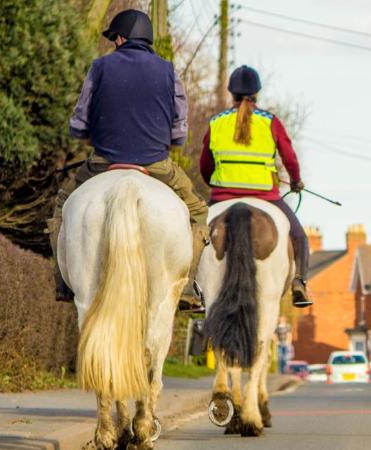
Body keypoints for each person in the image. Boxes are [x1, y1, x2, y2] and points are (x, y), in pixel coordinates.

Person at [47, 9, 209, 310]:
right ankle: (187, 287)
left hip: (104, 161)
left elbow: (79, 124)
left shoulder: (100, 67)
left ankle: (62, 281)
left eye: (114, 38)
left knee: (63, 203)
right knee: (199, 212)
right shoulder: (169, 70)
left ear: (121, 37)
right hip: (157, 164)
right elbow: (179, 134)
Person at [199, 65, 313, 308]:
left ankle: (192, 287)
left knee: (193, 236)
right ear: (257, 94)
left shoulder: (217, 122)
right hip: (266, 197)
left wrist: (217, 182)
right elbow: (290, 157)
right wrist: (295, 180)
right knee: (300, 238)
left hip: (221, 197)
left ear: (231, 93)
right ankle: (299, 284)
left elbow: (205, 165)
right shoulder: (270, 121)